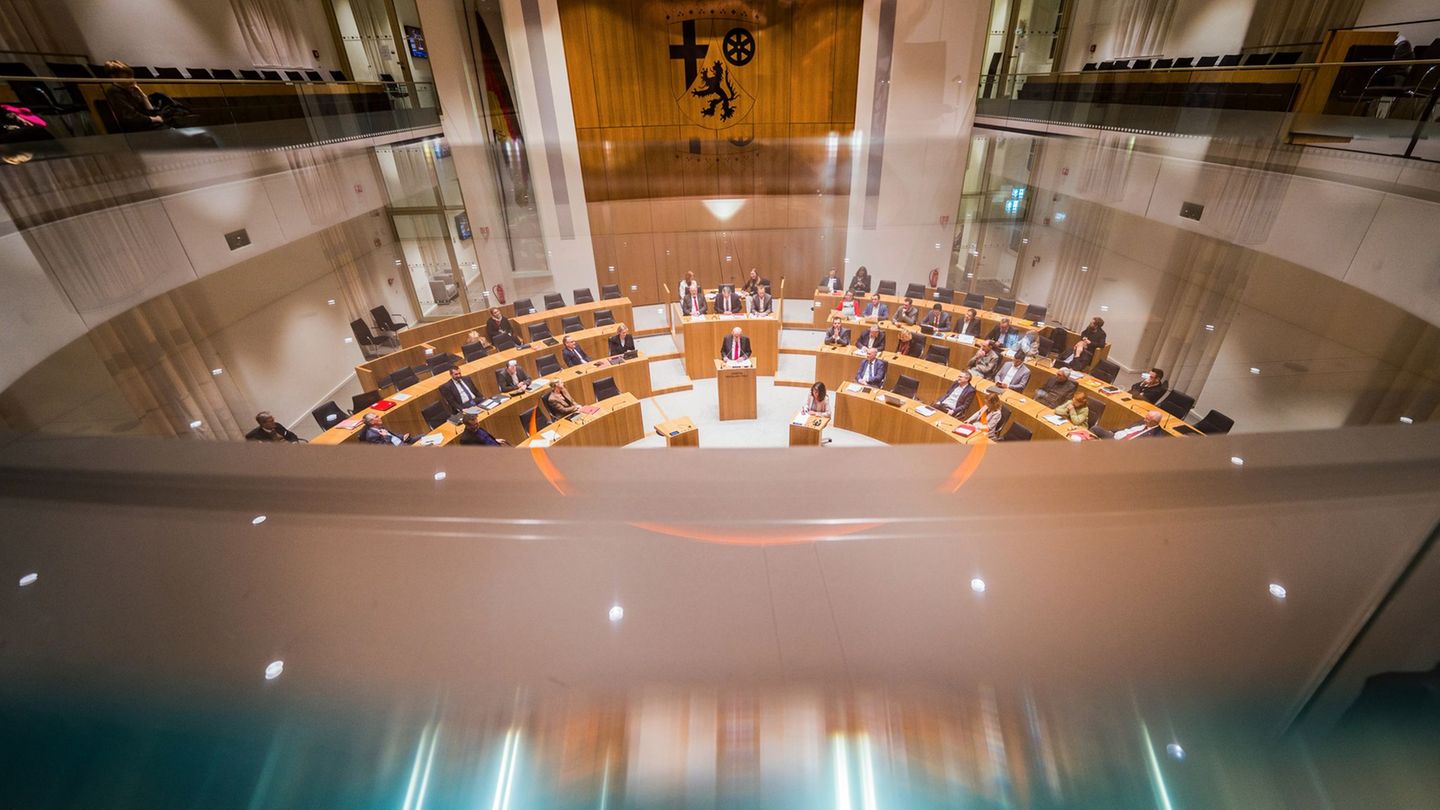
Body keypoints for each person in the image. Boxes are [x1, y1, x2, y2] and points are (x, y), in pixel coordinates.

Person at [103, 61, 166, 132]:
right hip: (139, 131)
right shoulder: (114, 91)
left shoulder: (132, 89)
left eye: (131, 76)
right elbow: (130, 117)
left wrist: (143, 96)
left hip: (150, 126)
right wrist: (154, 119)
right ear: (114, 77)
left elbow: (151, 112)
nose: (132, 80)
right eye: (127, 78)